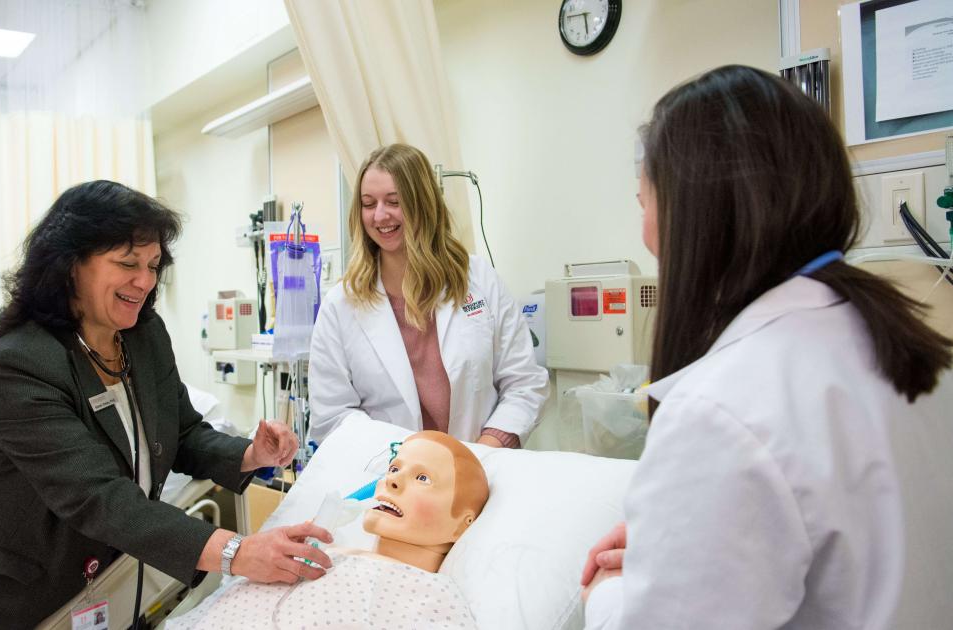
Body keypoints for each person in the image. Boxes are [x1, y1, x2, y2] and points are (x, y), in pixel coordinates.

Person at [578, 66, 953, 629]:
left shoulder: (719, 412)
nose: (646, 232)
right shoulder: (908, 342)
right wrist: (683, 544)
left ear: (693, 214)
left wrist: (610, 593)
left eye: (644, 202)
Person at [0, 181, 334, 629]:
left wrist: (251, 454)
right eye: (127, 263)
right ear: (70, 264)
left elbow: (184, 432)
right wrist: (237, 551)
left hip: (99, 585)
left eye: (153, 265)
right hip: (10, 600)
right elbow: (98, 497)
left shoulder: (143, 336)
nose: (145, 280)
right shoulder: (20, 364)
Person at [309, 143, 548, 448]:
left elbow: (524, 381)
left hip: (480, 466)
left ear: (422, 202)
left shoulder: (477, 278)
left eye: (393, 201)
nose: (380, 215)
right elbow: (332, 415)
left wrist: (485, 451)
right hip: (388, 476)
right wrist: (406, 465)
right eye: (369, 204)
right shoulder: (341, 305)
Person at [167, 430, 488, 629]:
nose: (391, 480)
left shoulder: (433, 597)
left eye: (423, 478)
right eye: (394, 468)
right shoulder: (308, 554)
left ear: (463, 523)